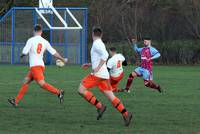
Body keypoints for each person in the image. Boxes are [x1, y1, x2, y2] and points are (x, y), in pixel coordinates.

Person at [78, 27, 132, 126]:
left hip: (98, 75)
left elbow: (105, 55)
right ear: (101, 35)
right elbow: (101, 58)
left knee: (81, 90)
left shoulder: (96, 43)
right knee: (111, 97)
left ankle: (100, 106)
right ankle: (126, 114)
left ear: (92, 34)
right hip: (104, 75)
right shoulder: (101, 43)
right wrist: (90, 64)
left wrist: (97, 68)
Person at [8, 24, 67, 107]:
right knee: (26, 81)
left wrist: (21, 55)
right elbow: (54, 52)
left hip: (35, 66)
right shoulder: (45, 41)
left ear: (34, 31)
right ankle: (16, 101)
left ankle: (59, 93)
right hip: (40, 65)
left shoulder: (31, 40)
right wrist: (62, 59)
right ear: (41, 32)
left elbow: (25, 52)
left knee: (41, 84)